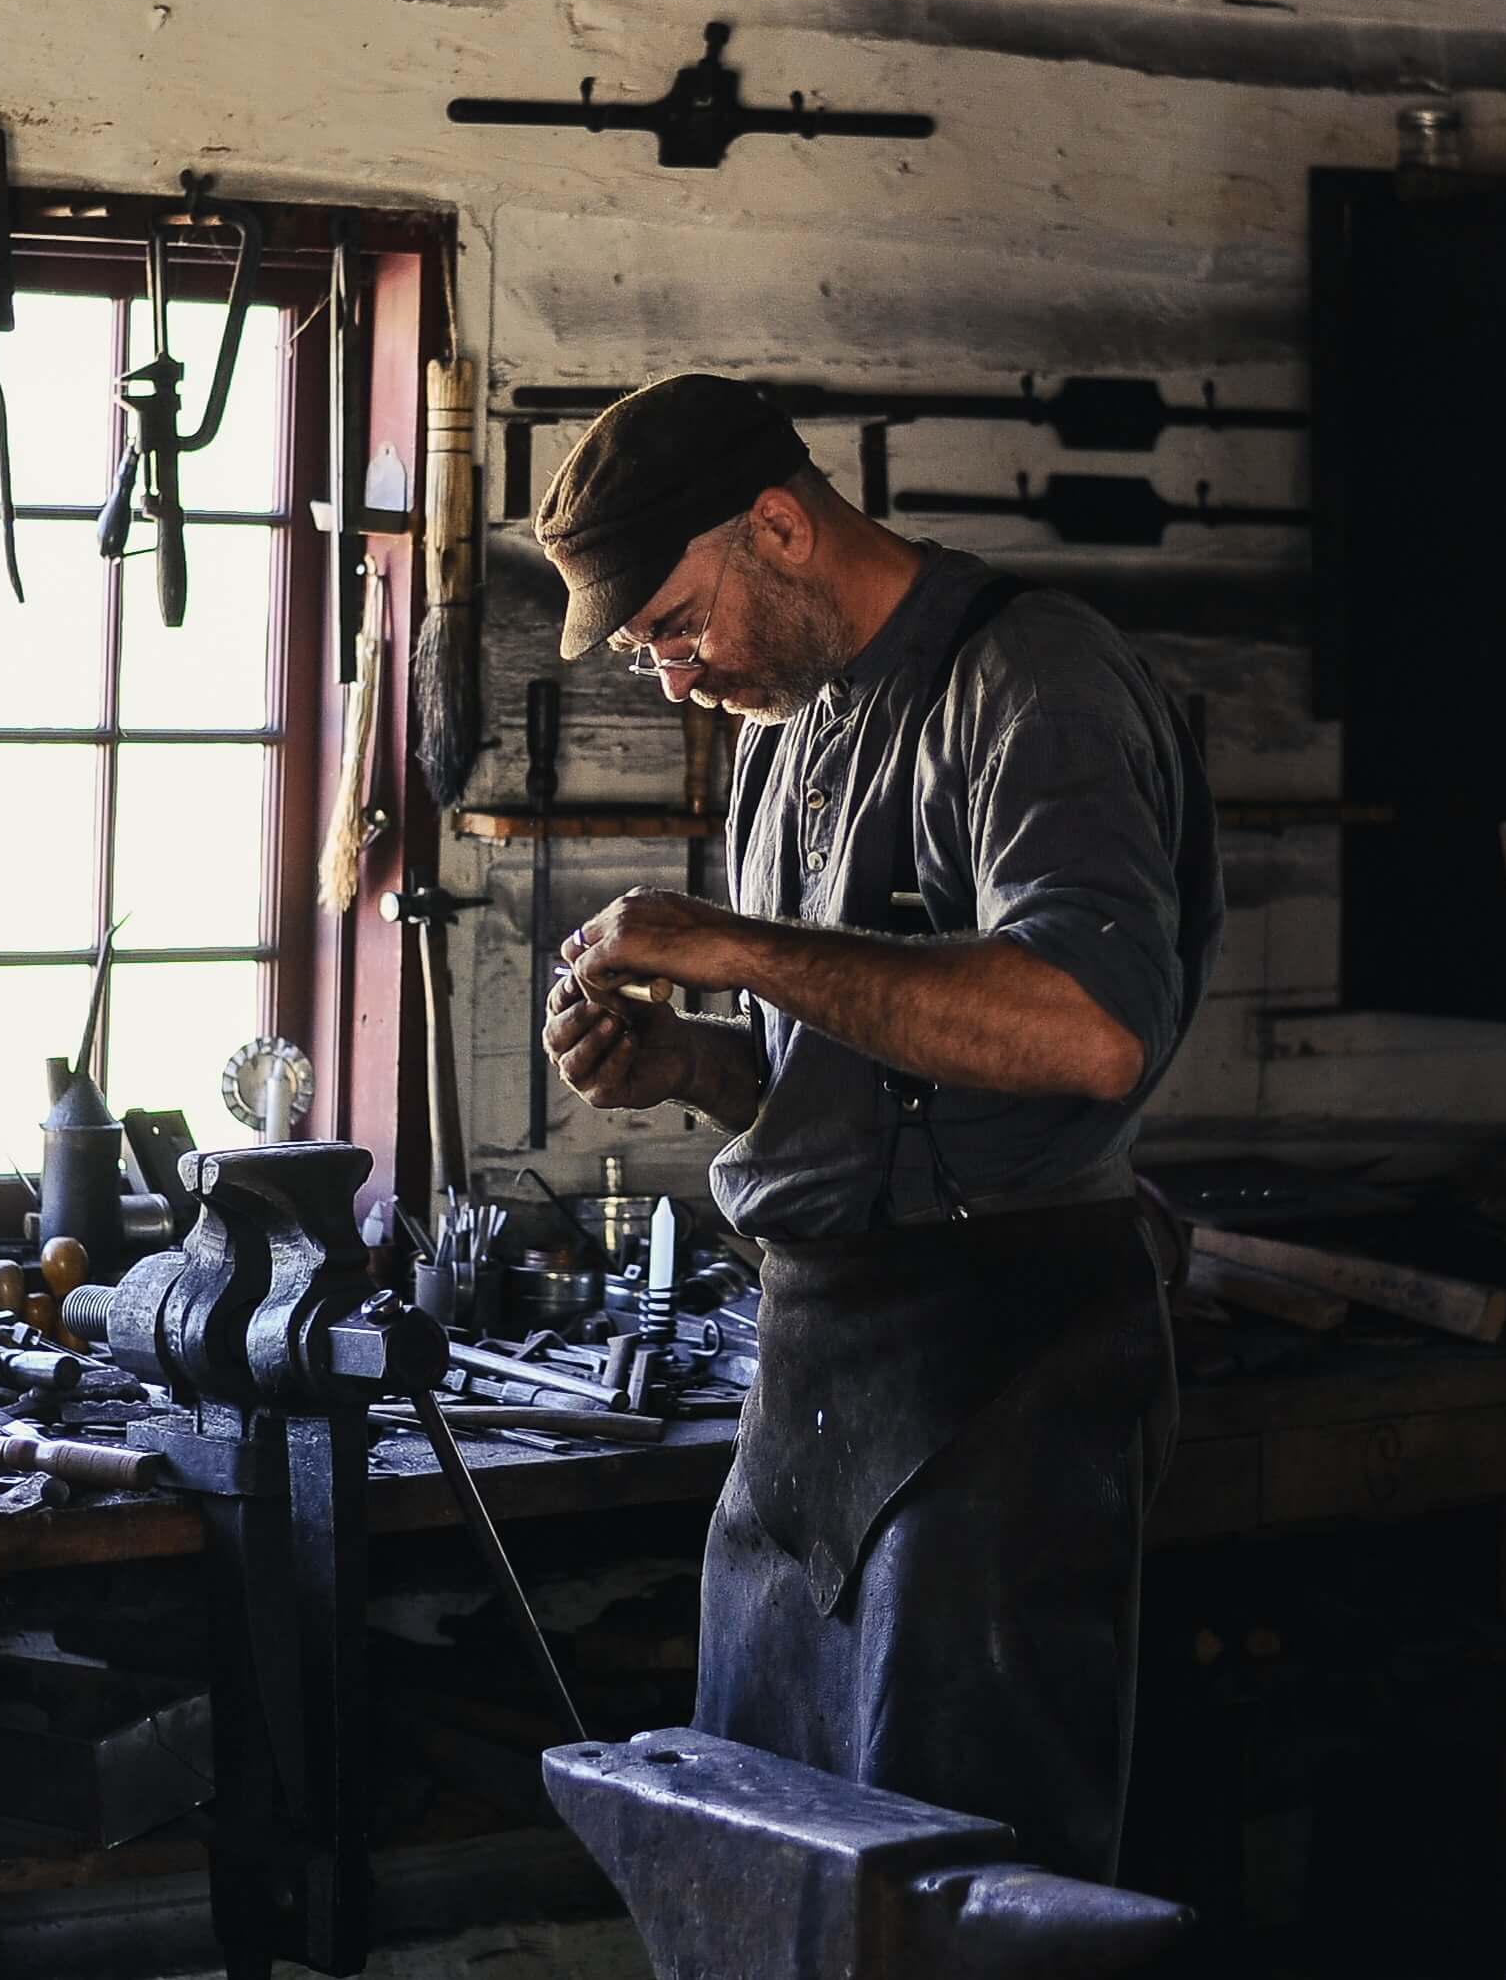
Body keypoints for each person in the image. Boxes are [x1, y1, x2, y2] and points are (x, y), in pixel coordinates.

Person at [533, 374, 1222, 1881]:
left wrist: (743, 945)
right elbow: (855, 1071)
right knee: (767, 1852)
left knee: (952, 1885)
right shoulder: (787, 730)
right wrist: (691, 1062)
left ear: (776, 526)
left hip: (1002, 1359)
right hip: (821, 1368)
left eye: (670, 625)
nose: (667, 678)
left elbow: (1086, 1030)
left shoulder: (1026, 678)